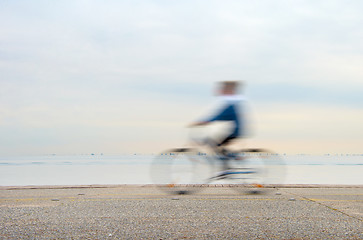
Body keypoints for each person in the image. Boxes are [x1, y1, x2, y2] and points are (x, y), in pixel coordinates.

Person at [189, 81, 246, 156]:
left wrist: (204, 122)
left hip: (235, 131)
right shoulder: (233, 103)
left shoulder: (231, 105)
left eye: (223, 89)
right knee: (218, 146)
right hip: (235, 130)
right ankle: (227, 161)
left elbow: (219, 116)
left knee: (215, 144)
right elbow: (220, 116)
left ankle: (235, 157)